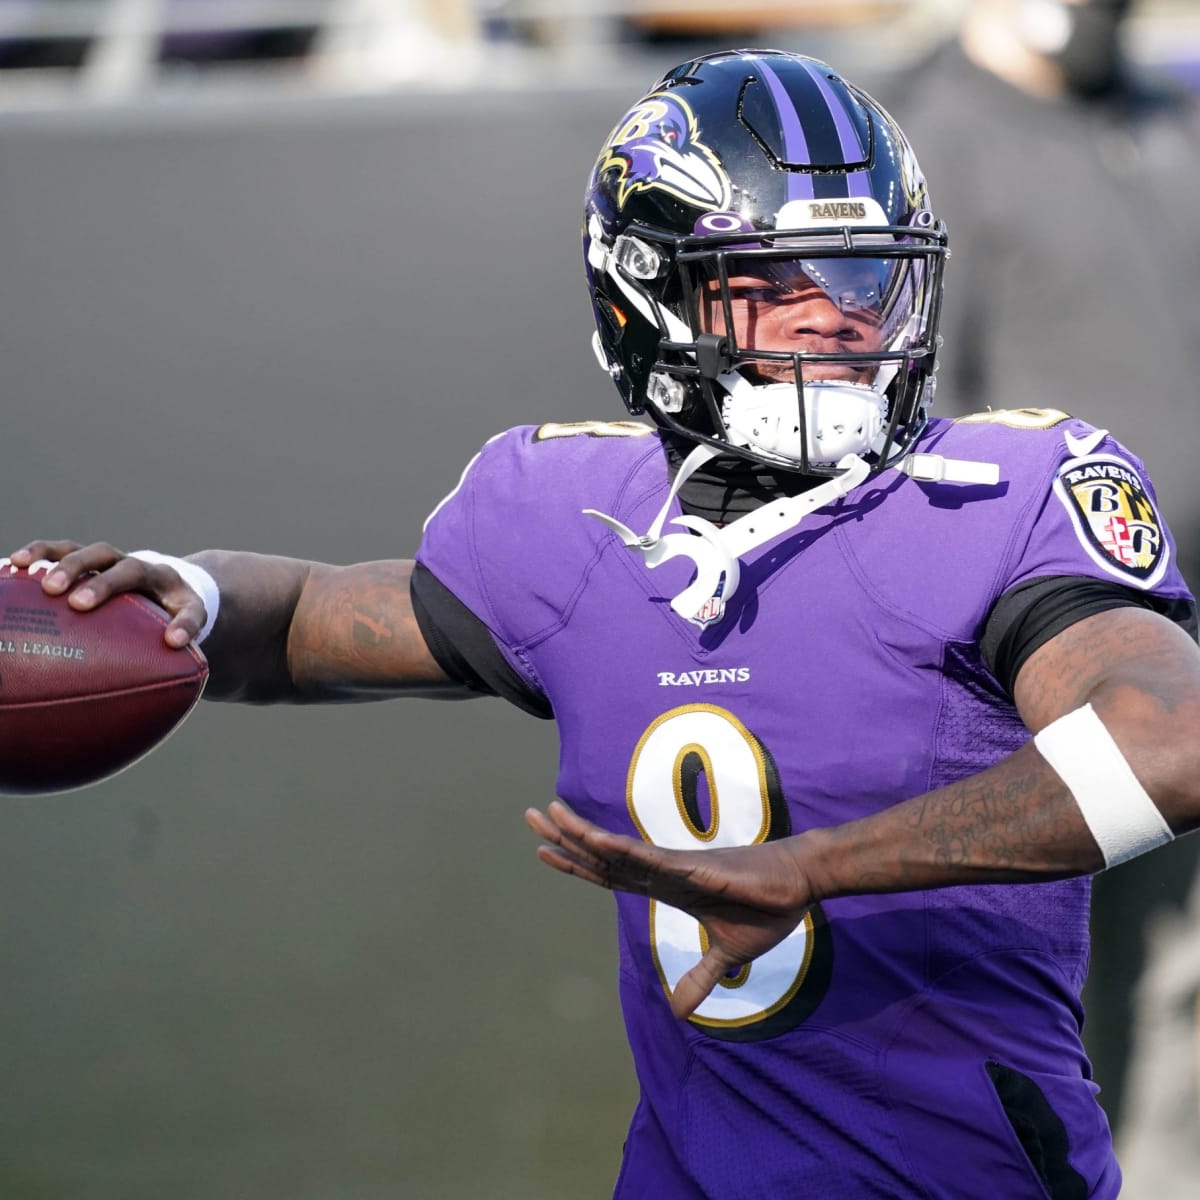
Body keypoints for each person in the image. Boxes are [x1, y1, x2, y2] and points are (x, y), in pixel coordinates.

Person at [10, 48, 1200, 1199]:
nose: (832, 318)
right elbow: (314, 617)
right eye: (772, 280)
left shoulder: (1007, 492)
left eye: (860, 274)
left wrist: (817, 869)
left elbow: (1172, 738)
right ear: (651, 295)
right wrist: (187, 592)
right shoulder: (569, 520)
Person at [873, 0, 1200, 1140]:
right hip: (1051, 688)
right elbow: (904, 450)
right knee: (1047, 1027)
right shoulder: (920, 142)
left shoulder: (1165, 113)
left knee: (1180, 1009)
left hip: (1188, 683)